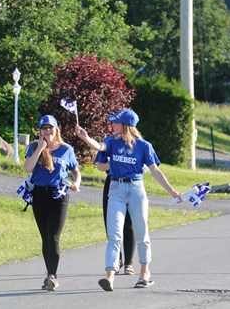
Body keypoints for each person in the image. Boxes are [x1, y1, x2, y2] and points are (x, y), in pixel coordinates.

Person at [75, 108, 181, 291]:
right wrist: (85, 137)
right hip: (116, 189)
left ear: (126, 125)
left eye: (115, 122)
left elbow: (155, 170)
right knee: (114, 234)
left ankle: (144, 273)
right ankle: (109, 276)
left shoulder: (144, 146)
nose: (112, 124)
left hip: (136, 189)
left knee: (141, 232)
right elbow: (100, 147)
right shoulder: (111, 142)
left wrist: (172, 191)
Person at [23, 115, 81, 291]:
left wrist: (76, 183)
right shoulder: (34, 146)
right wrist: (40, 148)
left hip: (59, 195)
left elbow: (76, 171)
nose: (48, 132)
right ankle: (49, 273)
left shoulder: (66, 149)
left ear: (57, 129)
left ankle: (52, 276)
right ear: (39, 131)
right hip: (40, 194)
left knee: (54, 236)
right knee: (45, 237)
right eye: (44, 129)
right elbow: (28, 168)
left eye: (51, 128)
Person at [95, 150, 136, 276]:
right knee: (111, 223)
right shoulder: (109, 143)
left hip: (132, 182)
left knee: (129, 224)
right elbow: (99, 165)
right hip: (112, 181)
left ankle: (129, 262)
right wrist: (113, 164)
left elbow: (145, 166)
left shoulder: (137, 143)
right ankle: (116, 260)